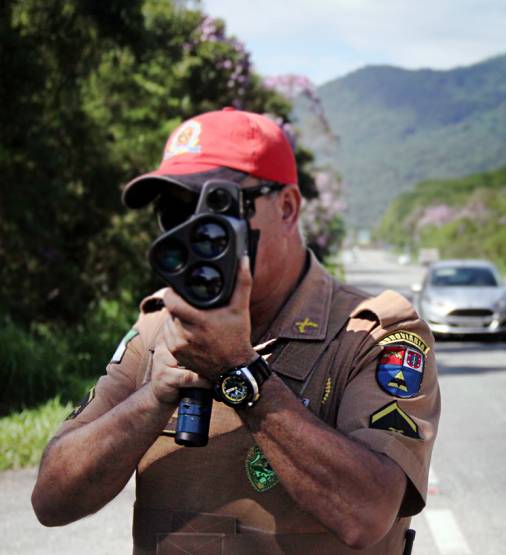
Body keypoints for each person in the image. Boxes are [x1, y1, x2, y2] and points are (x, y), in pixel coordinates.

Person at [31, 108, 440, 555]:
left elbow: (367, 515)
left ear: (287, 208)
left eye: (218, 205)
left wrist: (240, 373)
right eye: (175, 210)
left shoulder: (373, 333)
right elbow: (52, 500)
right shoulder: (157, 326)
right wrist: (153, 397)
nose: (194, 229)